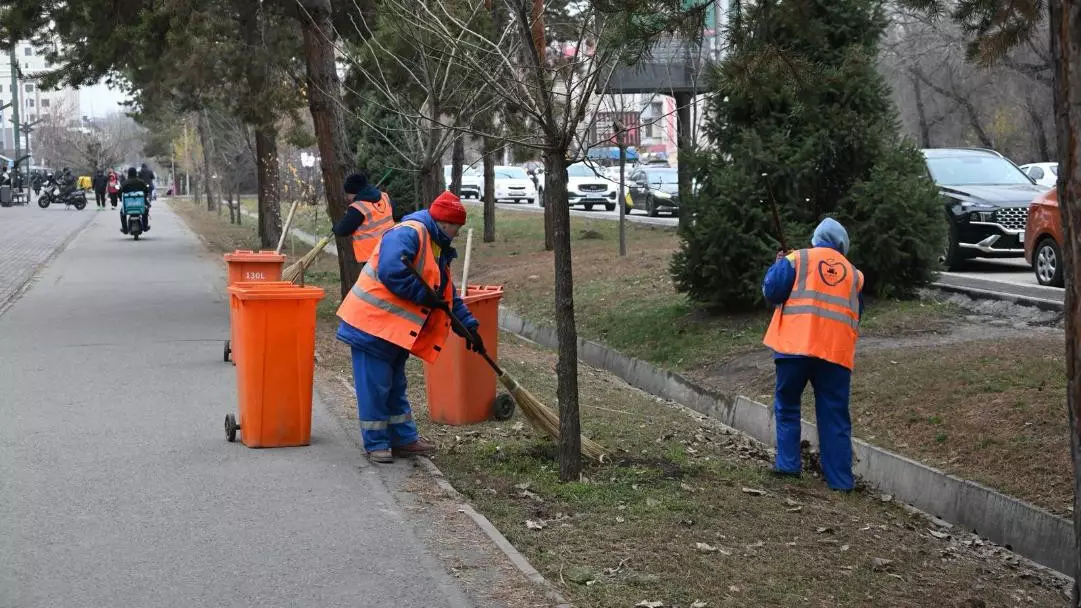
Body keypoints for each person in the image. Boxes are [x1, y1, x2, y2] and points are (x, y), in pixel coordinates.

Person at [335, 191, 482, 463]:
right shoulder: (408, 233)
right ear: (445, 222)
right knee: (375, 387)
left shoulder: (437, 245)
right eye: (456, 228)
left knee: (394, 386)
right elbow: (392, 271)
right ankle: (377, 443)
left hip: (394, 331)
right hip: (371, 326)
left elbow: (446, 294)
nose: (458, 234)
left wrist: (469, 326)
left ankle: (403, 439)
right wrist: (423, 295)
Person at [761, 218, 864, 492]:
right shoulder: (854, 274)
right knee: (834, 416)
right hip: (834, 354)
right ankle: (841, 481)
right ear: (842, 246)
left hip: (794, 349)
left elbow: (772, 292)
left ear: (816, 238)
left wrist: (777, 265)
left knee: (788, 404)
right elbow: (857, 313)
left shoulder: (796, 259)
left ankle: (788, 465)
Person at [332, 172, 396, 267]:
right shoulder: (384, 196)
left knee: (374, 281)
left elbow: (342, 230)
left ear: (354, 192)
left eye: (348, 194)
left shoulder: (358, 208)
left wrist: (335, 228)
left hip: (372, 256)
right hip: (391, 246)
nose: (348, 198)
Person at [119, 167, 151, 234]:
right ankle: (145, 226)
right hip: (140, 205)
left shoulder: (125, 183)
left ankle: (125, 229)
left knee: (122, 213)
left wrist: (120, 199)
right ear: (136, 173)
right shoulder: (141, 182)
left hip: (128, 205)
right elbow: (146, 191)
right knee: (145, 211)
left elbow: (120, 192)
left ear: (128, 173)